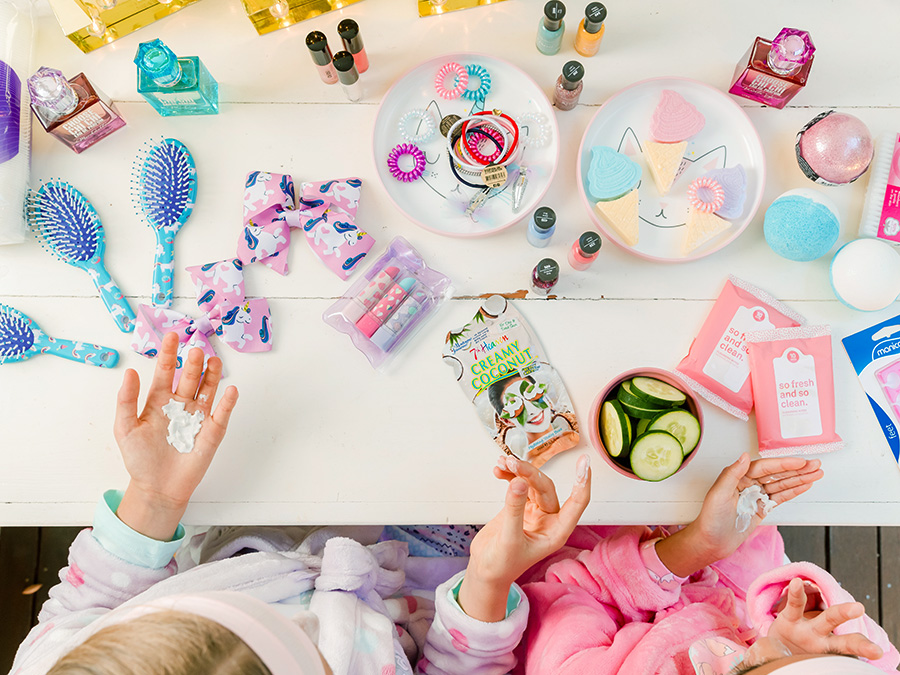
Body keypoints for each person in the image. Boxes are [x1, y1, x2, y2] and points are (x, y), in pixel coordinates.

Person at [9, 332, 593, 675]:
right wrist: (489, 581)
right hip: (409, 593)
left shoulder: (62, 665)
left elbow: (86, 605)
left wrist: (154, 496)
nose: (304, 622)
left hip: (228, 549)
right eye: (308, 641)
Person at [492, 454, 900, 675]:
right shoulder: (814, 654)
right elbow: (876, 652)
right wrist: (797, 630)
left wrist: (695, 547)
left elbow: (562, 595)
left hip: (584, 534)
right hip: (742, 584)